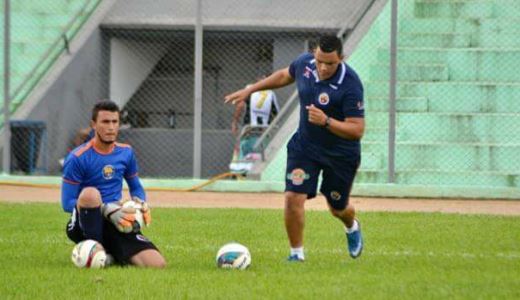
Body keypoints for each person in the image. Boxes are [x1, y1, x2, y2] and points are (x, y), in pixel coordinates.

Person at [225, 35, 365, 262]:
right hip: (305, 147)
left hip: (340, 154)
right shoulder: (305, 64)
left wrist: (326, 121)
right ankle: (296, 255)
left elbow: (357, 129)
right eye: (319, 60)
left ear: (341, 58)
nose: (323, 67)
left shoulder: (350, 84)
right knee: (293, 196)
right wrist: (251, 91)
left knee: (338, 208)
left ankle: (351, 225)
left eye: (329, 63)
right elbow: (284, 75)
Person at [61, 100, 166, 268]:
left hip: (117, 220)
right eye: (105, 122)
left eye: (114, 122)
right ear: (94, 125)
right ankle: (95, 248)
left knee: (156, 264)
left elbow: (135, 186)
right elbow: (67, 203)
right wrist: (105, 208)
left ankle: (111, 254)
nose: (110, 127)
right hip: (85, 221)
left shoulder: (126, 152)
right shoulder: (78, 157)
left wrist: (141, 203)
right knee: (90, 193)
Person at [229, 78, 280, 173]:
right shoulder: (271, 93)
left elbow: (240, 105)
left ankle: (240, 172)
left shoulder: (250, 89)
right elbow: (276, 113)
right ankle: (258, 172)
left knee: (243, 153)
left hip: (249, 129)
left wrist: (234, 122)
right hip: (264, 131)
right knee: (263, 155)